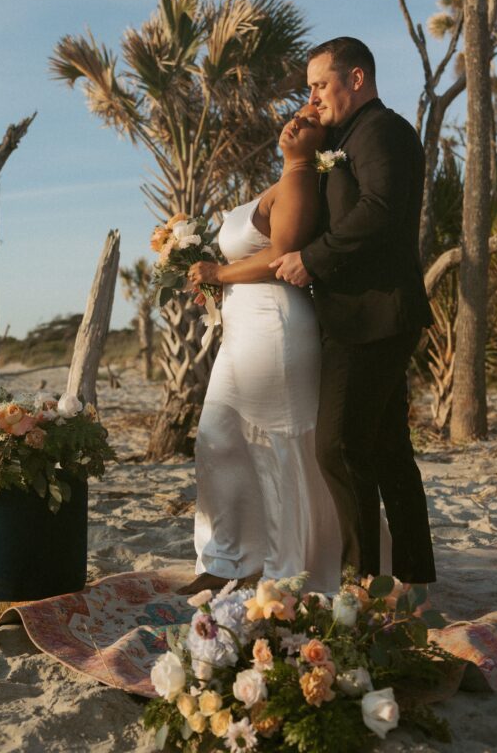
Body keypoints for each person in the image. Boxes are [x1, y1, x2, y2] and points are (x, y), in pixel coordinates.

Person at [271, 36, 436, 584]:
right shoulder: (343, 136)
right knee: (388, 452)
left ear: (356, 78)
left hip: (376, 317)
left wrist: (313, 259)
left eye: (321, 84)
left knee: (338, 447)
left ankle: (361, 584)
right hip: (361, 316)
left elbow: (381, 210)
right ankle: (412, 580)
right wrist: (304, 135)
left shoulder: (383, 130)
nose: (313, 96)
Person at [177, 106, 345, 596]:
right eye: (295, 115)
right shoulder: (276, 185)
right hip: (242, 331)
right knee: (217, 438)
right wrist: (210, 283)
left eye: (310, 121)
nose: (295, 122)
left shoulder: (299, 181)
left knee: (277, 446)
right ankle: (227, 558)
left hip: (275, 327)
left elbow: (281, 256)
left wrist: (216, 273)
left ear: (322, 139)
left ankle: (287, 562)